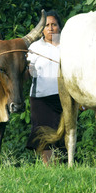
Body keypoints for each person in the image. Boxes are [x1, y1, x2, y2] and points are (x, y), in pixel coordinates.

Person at [26, 10, 63, 165]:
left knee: (62, 134)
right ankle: (48, 167)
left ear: (60, 27)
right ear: (41, 29)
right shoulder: (34, 47)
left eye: (54, 24)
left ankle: (62, 166)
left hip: (63, 97)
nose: (50, 28)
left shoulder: (67, 45)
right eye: (47, 25)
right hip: (40, 98)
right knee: (43, 133)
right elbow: (28, 72)